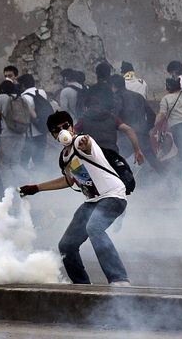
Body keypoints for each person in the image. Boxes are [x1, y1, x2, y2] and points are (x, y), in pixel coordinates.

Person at [20, 111, 132, 286]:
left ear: (72, 127)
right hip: (92, 202)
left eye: (66, 126)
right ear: (53, 135)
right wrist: (36, 188)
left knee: (94, 227)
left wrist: (85, 142)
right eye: (58, 130)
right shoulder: (64, 158)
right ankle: (82, 286)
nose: (63, 131)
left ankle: (119, 279)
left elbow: (85, 144)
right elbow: (69, 180)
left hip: (113, 195)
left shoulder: (83, 141)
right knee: (66, 245)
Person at [0, 80, 32, 187]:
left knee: (4, 165)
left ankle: (9, 193)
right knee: (15, 163)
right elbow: (31, 115)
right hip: (21, 134)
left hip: (7, 136)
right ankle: (28, 181)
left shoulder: (2, 97)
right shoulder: (22, 99)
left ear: (2, 89)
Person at [18, 74, 51, 170]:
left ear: (23, 85)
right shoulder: (42, 92)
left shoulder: (23, 97)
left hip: (32, 132)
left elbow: (25, 116)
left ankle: (31, 179)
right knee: (40, 157)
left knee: (27, 157)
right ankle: (42, 176)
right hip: (43, 128)